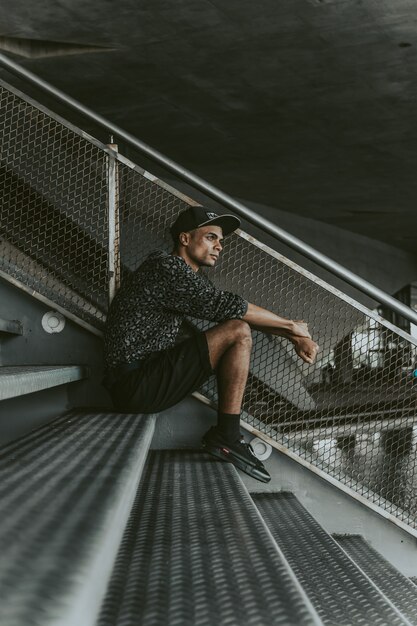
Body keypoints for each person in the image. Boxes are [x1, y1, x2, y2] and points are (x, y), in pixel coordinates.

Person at [103, 206, 319, 482]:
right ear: (185, 239)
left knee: (237, 326)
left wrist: (292, 334)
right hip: (133, 384)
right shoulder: (166, 268)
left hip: (143, 377)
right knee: (238, 330)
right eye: (210, 238)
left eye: (220, 241)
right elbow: (227, 308)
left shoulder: (181, 274)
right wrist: (293, 328)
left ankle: (227, 434)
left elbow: (226, 308)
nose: (219, 246)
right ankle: (227, 435)